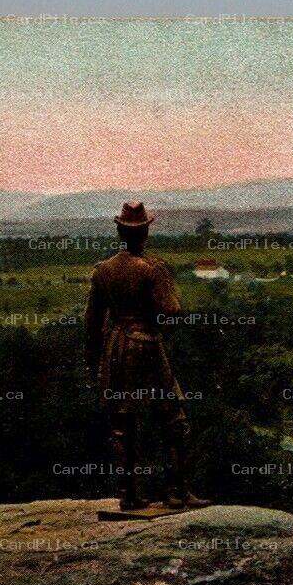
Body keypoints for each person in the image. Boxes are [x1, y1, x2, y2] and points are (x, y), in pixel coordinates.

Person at [84, 201, 207, 510]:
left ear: (119, 232)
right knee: (173, 417)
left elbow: (92, 323)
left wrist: (94, 362)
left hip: (116, 346)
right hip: (147, 344)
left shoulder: (102, 271)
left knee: (122, 424)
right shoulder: (153, 268)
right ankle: (178, 492)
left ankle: (128, 495)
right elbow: (171, 309)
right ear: (145, 233)